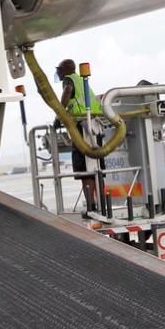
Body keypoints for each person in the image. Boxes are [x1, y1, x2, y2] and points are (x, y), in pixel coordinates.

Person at [56, 58, 105, 214]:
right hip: (94, 125)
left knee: (84, 170)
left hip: (80, 126)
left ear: (65, 70)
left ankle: (91, 206)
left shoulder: (69, 79)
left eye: (59, 69)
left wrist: (60, 115)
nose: (58, 72)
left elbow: (67, 91)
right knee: (96, 168)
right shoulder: (82, 82)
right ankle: (102, 204)